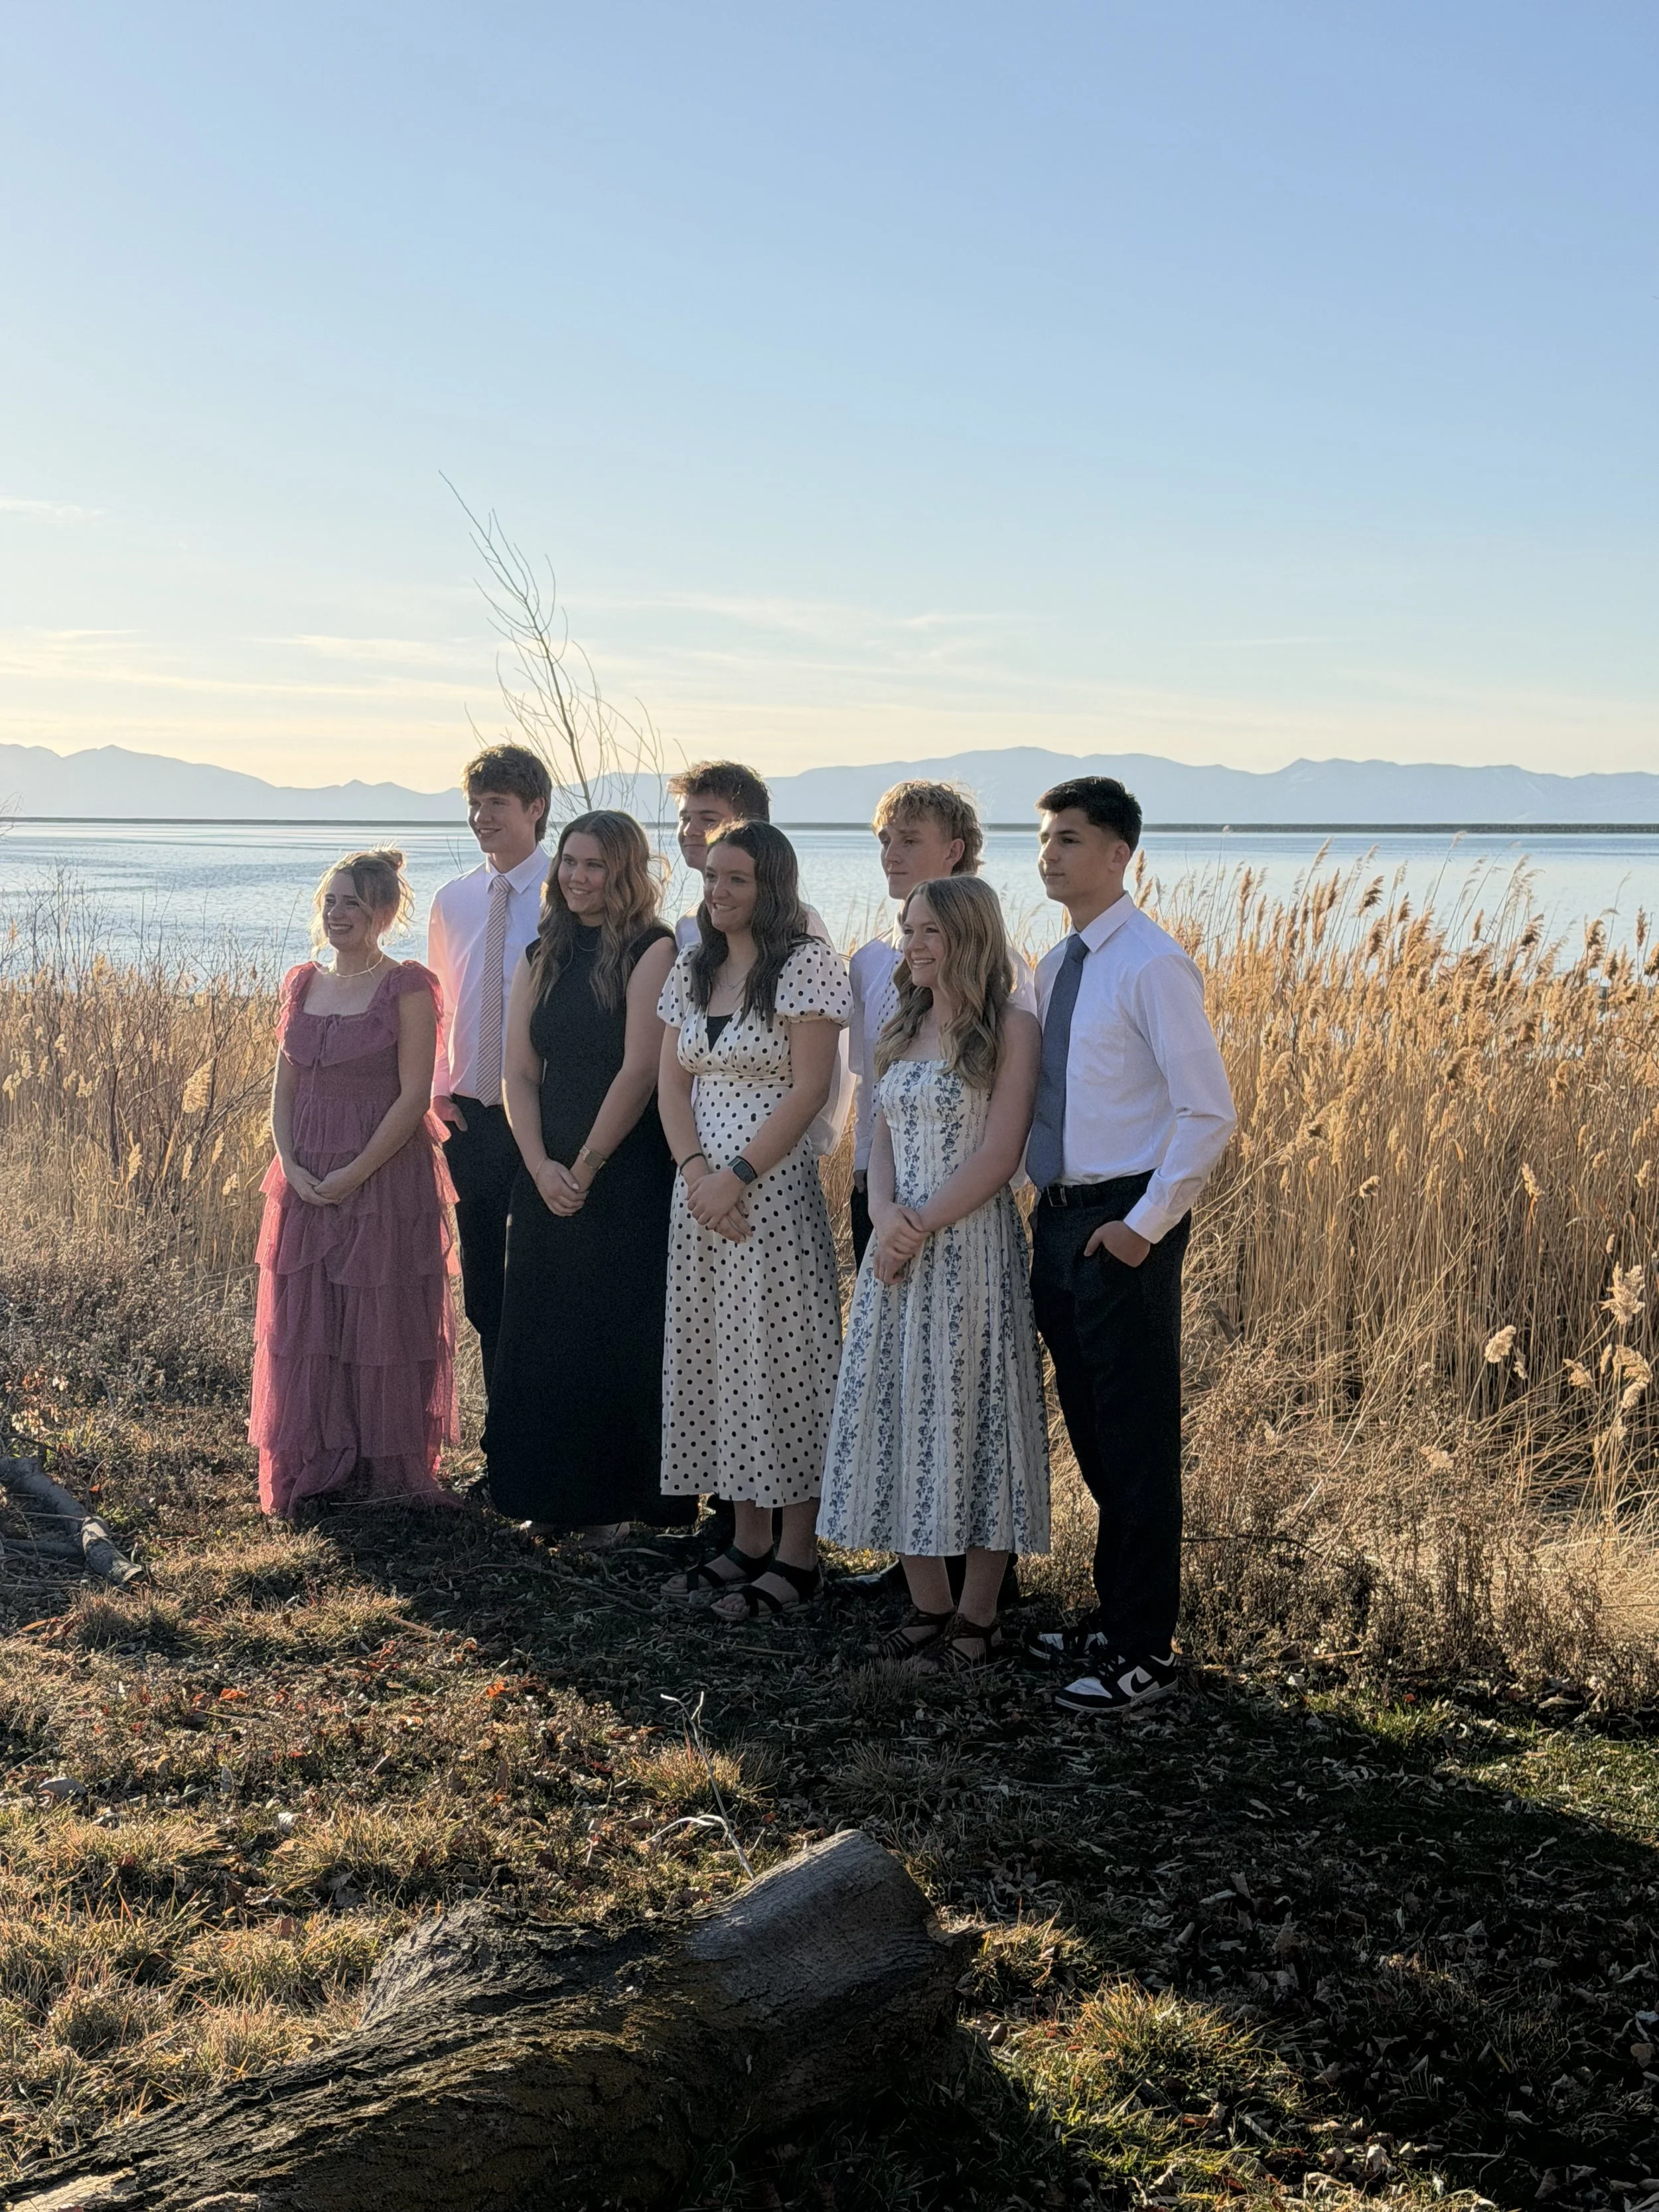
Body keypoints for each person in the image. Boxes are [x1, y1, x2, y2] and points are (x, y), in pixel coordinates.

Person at [1023, 777, 1236, 1716]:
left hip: (1121, 1222)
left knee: (1138, 1439)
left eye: (1070, 839)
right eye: (1043, 839)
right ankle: (1113, 1619)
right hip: (1059, 1216)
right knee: (1095, 1431)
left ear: (1119, 855)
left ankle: (1145, 1648)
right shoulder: (1053, 963)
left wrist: (1142, 1229)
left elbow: (1208, 1112)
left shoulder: (1152, 964)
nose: (1050, 854)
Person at [819, 877, 1048, 1670]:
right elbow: (875, 1136)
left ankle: (977, 1621)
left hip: (969, 1251)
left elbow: (1000, 1153)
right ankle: (928, 1605)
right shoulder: (900, 1022)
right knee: (895, 1414)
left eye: (928, 932)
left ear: (968, 937)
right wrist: (884, 1217)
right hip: (898, 1255)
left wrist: (919, 1226)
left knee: (976, 1421)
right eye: (907, 929)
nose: (911, 944)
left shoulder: (1011, 1027)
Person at [656, 820, 851, 1619]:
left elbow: (810, 1089)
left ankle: (798, 1556)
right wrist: (698, 1174)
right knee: (715, 1355)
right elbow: (672, 1086)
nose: (718, 892)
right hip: (698, 1194)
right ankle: (745, 1538)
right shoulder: (694, 967)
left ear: (772, 886)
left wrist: (737, 1176)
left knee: (783, 1360)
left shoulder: (804, 966)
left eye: (736, 880)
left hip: (769, 1192)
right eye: (711, 878)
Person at [484, 811, 678, 1540]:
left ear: (624, 872)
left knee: (608, 1332)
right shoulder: (544, 950)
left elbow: (639, 1070)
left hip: (623, 1167)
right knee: (540, 1331)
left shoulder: (651, 949)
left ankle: (614, 1508)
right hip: (544, 1165)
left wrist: (586, 1168)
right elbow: (519, 1072)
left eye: (594, 864)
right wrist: (539, 1166)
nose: (576, 876)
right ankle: (547, 1497)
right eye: (568, 861)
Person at [250, 849, 459, 1520]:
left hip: (382, 1174)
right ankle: (315, 1462)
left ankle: (382, 1469)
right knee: (307, 1318)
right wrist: (292, 1164)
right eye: (332, 902)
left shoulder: (407, 986)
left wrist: (352, 1174)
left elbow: (411, 1098)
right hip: (305, 1171)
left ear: (384, 913)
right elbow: (282, 1089)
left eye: (355, 905)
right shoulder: (301, 981)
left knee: (380, 1320)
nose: (339, 915)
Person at [425, 743, 553, 1397]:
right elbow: (441, 1005)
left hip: (544, 1118)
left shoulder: (568, 894)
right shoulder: (454, 900)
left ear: (534, 808)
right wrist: (436, 1093)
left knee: (541, 1285)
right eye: (474, 804)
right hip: (470, 1117)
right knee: (484, 1289)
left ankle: (541, 1443)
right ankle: (499, 1446)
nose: (480, 817)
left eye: (496, 804)